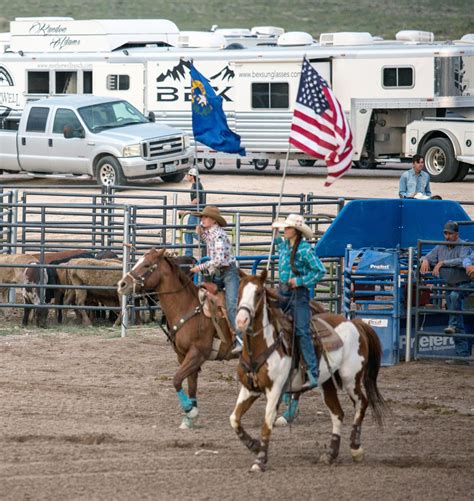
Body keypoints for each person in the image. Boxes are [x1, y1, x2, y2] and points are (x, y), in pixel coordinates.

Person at [272, 214, 326, 390]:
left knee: (302, 331)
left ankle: (312, 371)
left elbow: (320, 271)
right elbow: (277, 242)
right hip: (282, 291)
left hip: (298, 294)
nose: (284, 230)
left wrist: (301, 281)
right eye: (284, 228)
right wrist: (275, 233)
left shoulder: (304, 250)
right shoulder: (285, 245)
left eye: (287, 228)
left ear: (295, 231)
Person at [189, 206, 242, 354]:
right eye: (202, 218)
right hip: (218, 274)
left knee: (231, 305)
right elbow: (208, 239)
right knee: (201, 295)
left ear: (213, 220)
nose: (202, 220)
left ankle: (241, 339)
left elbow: (218, 260)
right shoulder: (213, 233)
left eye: (205, 217)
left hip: (228, 273)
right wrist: (200, 235)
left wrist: (200, 267)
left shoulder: (219, 236)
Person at [419, 221, 470, 355]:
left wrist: (442, 262)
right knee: (456, 314)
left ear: (456, 234)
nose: (447, 236)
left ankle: (453, 327)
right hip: (451, 285)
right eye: (445, 233)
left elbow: (464, 260)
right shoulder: (440, 247)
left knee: (454, 297)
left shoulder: (464, 245)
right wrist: (424, 260)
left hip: (466, 283)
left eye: (450, 234)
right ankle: (462, 353)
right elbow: (428, 256)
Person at [178, 168, 206, 257]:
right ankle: (189, 253)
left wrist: (185, 209)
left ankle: (207, 243)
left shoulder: (195, 186)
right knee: (189, 233)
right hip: (197, 212)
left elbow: (196, 200)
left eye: (188, 175)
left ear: (191, 176)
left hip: (195, 213)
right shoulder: (198, 185)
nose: (186, 176)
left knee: (192, 232)